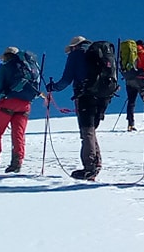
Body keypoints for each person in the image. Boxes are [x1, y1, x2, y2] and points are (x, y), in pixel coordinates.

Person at [47, 36, 119, 181]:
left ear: (75, 46)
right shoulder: (100, 53)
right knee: (91, 130)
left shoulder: (77, 55)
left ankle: (90, 167)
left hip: (85, 95)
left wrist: (53, 87)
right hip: (104, 96)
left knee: (86, 131)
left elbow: (66, 79)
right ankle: (95, 163)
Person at [0, 46, 41, 173]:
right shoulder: (30, 66)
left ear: (7, 56)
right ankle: (17, 162)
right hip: (25, 104)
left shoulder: (6, 67)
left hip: (9, 102)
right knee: (18, 134)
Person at [119, 38, 144, 131]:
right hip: (141, 79)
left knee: (131, 101)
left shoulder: (131, 54)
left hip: (129, 79)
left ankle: (130, 124)